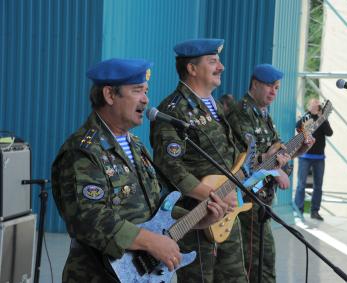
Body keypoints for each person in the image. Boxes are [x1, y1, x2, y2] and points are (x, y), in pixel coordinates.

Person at [51, 58, 228, 282]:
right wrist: (150, 241)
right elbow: (88, 218)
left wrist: (198, 219)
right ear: (109, 95)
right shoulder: (82, 151)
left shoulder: (135, 146)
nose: (146, 100)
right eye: (137, 91)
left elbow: (157, 207)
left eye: (146, 91)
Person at [150, 39, 248, 283]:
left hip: (226, 212)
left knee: (235, 278)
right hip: (196, 216)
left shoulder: (215, 106)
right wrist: (211, 194)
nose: (221, 67)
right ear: (192, 69)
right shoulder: (173, 110)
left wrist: (269, 162)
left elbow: (231, 157)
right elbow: (169, 165)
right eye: (213, 62)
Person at [226, 64, 293, 283]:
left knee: (264, 260)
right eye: (269, 86)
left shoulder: (264, 116)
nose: (274, 92)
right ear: (255, 84)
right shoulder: (242, 112)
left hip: (262, 200)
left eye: (277, 88)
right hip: (247, 199)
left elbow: (279, 152)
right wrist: (273, 165)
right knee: (256, 263)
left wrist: (294, 151)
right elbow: (245, 159)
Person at [294, 98, 333, 221]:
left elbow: (329, 133)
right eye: (314, 104)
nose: (317, 106)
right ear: (309, 106)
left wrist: (323, 117)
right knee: (301, 185)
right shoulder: (307, 117)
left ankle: (315, 211)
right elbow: (298, 126)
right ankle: (298, 210)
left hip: (319, 157)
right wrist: (309, 113)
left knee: (318, 186)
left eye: (317, 104)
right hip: (305, 156)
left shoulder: (322, 119)